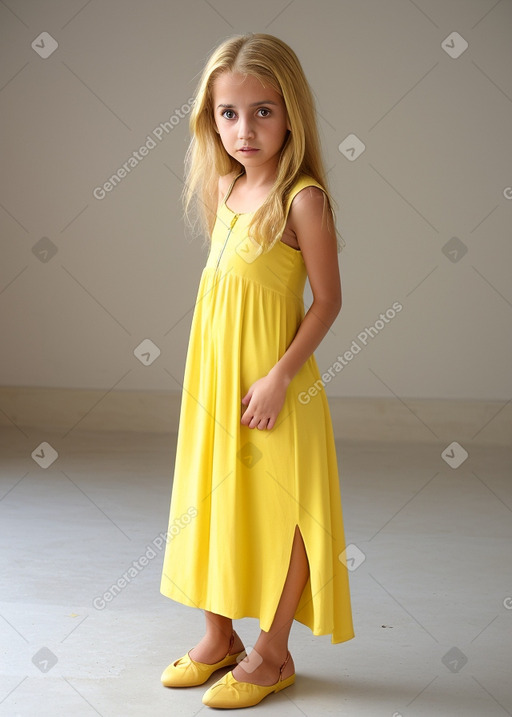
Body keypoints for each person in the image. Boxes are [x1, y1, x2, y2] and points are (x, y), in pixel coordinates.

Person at [159, 32, 355, 709]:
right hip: (215, 376)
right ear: (211, 119)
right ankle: (220, 637)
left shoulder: (303, 199)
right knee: (210, 497)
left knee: (287, 509)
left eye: (263, 111)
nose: (245, 130)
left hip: (277, 382)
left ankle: (273, 652)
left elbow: (327, 301)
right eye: (229, 113)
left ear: (291, 112)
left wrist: (276, 378)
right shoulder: (226, 185)